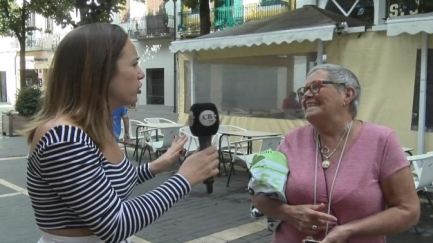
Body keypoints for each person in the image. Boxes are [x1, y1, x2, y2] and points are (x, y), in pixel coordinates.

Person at [24, 23, 219, 243]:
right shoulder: (64, 138)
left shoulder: (94, 127)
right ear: (101, 72)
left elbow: (112, 184)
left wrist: (159, 164)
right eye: (134, 64)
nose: (141, 74)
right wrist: (184, 179)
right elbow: (114, 224)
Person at [252, 64, 420, 243]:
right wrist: (288, 213)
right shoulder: (292, 139)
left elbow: (408, 211)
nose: (306, 95)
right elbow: (260, 197)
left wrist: (349, 230)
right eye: (304, 91)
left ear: (347, 94)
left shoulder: (382, 140)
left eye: (315, 86)